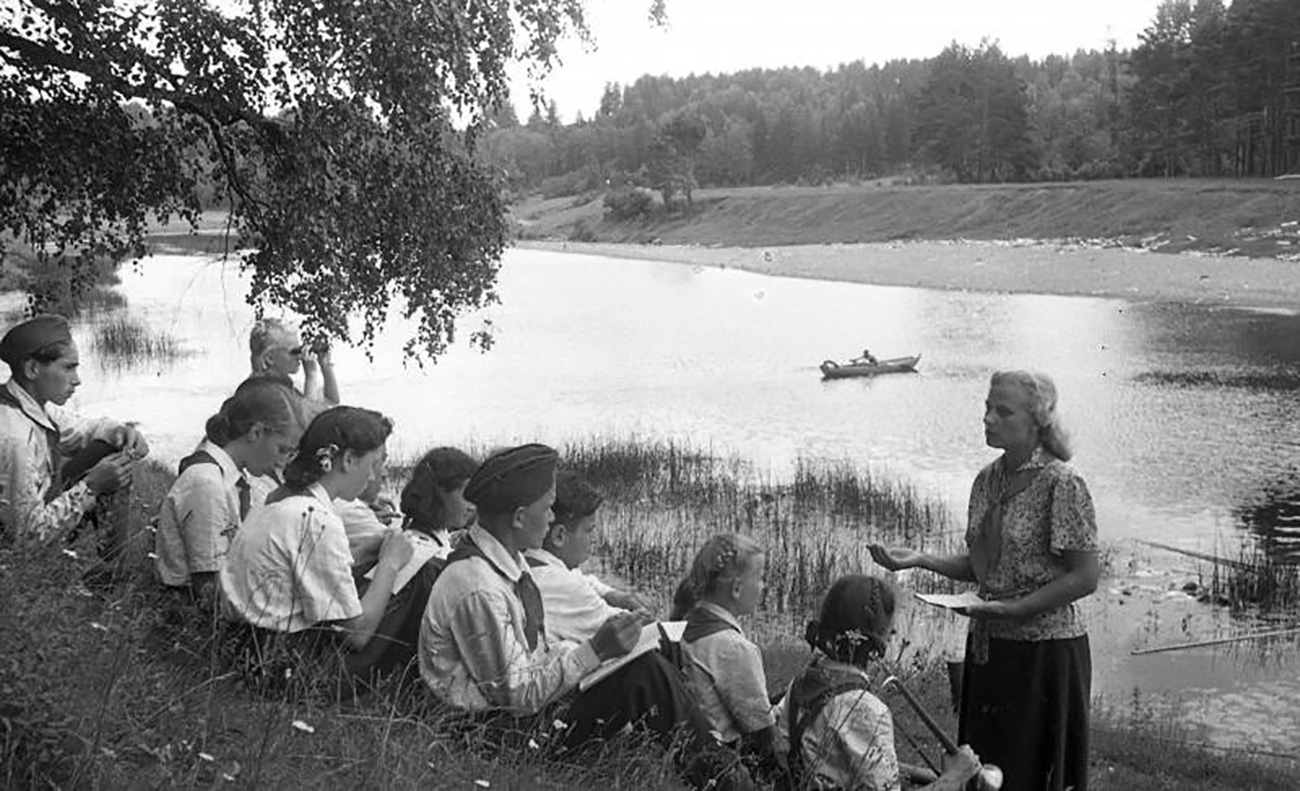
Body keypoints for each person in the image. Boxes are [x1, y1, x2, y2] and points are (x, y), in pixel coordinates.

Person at [419, 444, 747, 790]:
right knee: (643, 674)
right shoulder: (478, 586)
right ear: (518, 517)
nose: (550, 519)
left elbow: (529, 657)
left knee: (640, 669)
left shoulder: (501, 561)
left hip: (505, 718)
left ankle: (720, 769)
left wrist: (583, 656)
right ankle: (725, 779)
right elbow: (518, 697)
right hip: (489, 737)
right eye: (546, 509)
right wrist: (595, 651)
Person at [869, 370, 1099, 791]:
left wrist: (1016, 609)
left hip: (1045, 655)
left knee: (1034, 773)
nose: (988, 418)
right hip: (989, 647)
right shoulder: (988, 480)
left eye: (1003, 411)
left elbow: (1085, 577)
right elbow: (984, 569)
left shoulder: (1062, 483)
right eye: (987, 408)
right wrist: (920, 559)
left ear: (1037, 421)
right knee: (986, 770)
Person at [220, 406, 422, 688]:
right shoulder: (318, 519)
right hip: (282, 667)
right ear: (348, 460)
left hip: (242, 649)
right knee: (412, 582)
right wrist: (390, 563)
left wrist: (365, 551)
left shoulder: (278, 502)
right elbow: (356, 634)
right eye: (373, 464)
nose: (374, 477)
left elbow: (299, 575)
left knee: (374, 576)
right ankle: (406, 687)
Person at [773, 574, 981, 791]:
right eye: (890, 623)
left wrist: (921, 775)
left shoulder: (803, 680)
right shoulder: (866, 709)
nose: (894, 631)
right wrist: (954, 778)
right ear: (878, 634)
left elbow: (824, 753)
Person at [0, 314, 148, 553]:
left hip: (34, 516)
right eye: (68, 368)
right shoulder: (15, 438)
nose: (77, 381)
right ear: (32, 368)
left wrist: (121, 431)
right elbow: (24, 539)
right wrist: (92, 487)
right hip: (17, 545)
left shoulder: (31, 405)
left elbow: (85, 429)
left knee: (109, 446)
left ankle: (109, 568)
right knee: (107, 470)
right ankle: (109, 579)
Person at [155, 380, 301, 607]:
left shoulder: (229, 479)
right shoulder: (207, 484)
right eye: (281, 449)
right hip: (190, 620)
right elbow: (207, 586)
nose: (282, 461)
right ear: (256, 432)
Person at [673, 533, 785, 779]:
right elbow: (761, 732)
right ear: (736, 589)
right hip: (726, 761)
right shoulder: (734, 648)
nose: (763, 585)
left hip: (689, 748)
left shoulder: (685, 623)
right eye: (760, 577)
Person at [523, 470, 655, 643]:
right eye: (589, 530)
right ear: (559, 536)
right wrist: (648, 616)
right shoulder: (563, 585)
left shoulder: (526, 558)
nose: (593, 539)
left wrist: (612, 594)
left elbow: (580, 578)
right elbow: (629, 627)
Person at [399, 446, 479, 555]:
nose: (472, 506)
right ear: (438, 493)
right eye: (465, 495)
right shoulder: (420, 553)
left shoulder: (438, 539)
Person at [248, 317, 339, 406]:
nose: (300, 356)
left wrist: (326, 366)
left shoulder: (282, 387)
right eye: (294, 351)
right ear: (269, 358)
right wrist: (311, 376)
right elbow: (309, 418)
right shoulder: (266, 394)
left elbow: (331, 402)